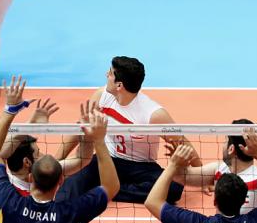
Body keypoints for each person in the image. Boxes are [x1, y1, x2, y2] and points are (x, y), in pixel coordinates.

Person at [0, 76, 119, 223]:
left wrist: (13, 111)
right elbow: (109, 184)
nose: (45, 156)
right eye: (38, 155)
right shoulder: (65, 213)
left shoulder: (7, 198)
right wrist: (96, 139)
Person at [57, 56, 201, 204]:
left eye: (111, 73)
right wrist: (55, 164)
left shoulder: (153, 113)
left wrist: (201, 176)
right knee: (69, 188)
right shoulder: (102, 96)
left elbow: (182, 142)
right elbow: (81, 128)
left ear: (119, 85)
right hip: (107, 159)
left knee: (173, 190)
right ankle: (110, 187)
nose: (106, 74)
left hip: (141, 167)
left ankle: (109, 189)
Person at [169, 118, 257, 213]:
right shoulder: (219, 169)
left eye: (225, 141)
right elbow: (182, 177)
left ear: (231, 149)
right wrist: (176, 163)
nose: (223, 144)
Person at [0, 99, 94, 196]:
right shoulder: (41, 177)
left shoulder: (1, 181)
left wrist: (84, 130)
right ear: (27, 162)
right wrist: (89, 136)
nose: (44, 155)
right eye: (38, 153)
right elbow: (82, 159)